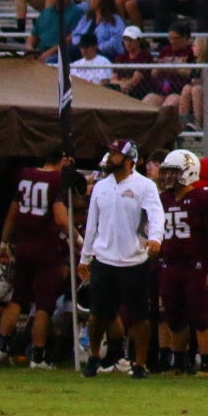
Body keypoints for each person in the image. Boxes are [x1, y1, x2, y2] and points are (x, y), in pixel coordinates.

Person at [76, 140, 165, 379]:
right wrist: (85, 257)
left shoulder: (144, 186)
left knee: (139, 316)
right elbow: (92, 224)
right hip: (105, 259)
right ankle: (94, 356)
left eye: (116, 154)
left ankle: (140, 363)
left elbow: (156, 215)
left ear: (129, 160)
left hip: (134, 260)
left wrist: (156, 238)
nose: (110, 157)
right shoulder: (101, 187)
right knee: (98, 315)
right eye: (111, 152)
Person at [0, 149, 73, 368]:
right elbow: (60, 218)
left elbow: (13, 212)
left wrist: (3, 243)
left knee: (17, 298)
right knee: (44, 304)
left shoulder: (25, 174)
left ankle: (1, 347)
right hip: (45, 248)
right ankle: (37, 357)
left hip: (23, 245)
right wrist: (78, 239)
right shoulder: (56, 179)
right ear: (63, 160)